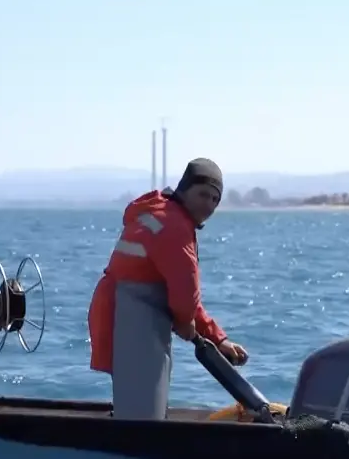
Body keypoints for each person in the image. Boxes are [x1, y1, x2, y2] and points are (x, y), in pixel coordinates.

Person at [88, 157, 249, 420]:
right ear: (184, 189)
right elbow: (185, 294)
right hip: (133, 315)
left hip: (126, 309)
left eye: (215, 199)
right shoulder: (175, 227)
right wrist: (185, 323)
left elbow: (181, 293)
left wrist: (218, 339)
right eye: (203, 195)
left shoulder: (160, 213)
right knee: (141, 415)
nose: (208, 205)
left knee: (140, 402)